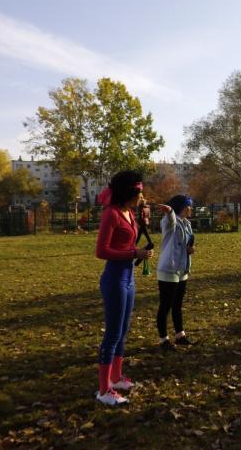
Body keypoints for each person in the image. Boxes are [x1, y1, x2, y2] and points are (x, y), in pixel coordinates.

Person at [95, 170, 154, 406]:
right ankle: (103, 390)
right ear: (129, 192)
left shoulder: (129, 212)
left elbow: (127, 239)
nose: (142, 196)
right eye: (139, 192)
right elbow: (102, 251)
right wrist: (135, 253)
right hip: (114, 279)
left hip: (129, 278)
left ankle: (117, 378)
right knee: (112, 334)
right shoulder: (111, 214)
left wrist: (143, 224)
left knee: (124, 331)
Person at [157, 195, 196, 350]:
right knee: (165, 306)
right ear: (183, 207)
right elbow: (170, 220)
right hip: (169, 269)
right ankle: (163, 339)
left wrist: (190, 250)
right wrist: (170, 211)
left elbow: (185, 243)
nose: (191, 209)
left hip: (182, 269)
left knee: (177, 305)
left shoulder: (187, 224)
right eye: (189, 206)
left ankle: (180, 335)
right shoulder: (169, 222)